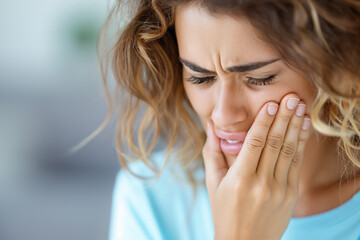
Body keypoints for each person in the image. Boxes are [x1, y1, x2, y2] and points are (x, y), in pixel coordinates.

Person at [98, 0, 360, 239]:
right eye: (200, 78)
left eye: (260, 78)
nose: (223, 114)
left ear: (338, 65)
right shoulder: (150, 194)